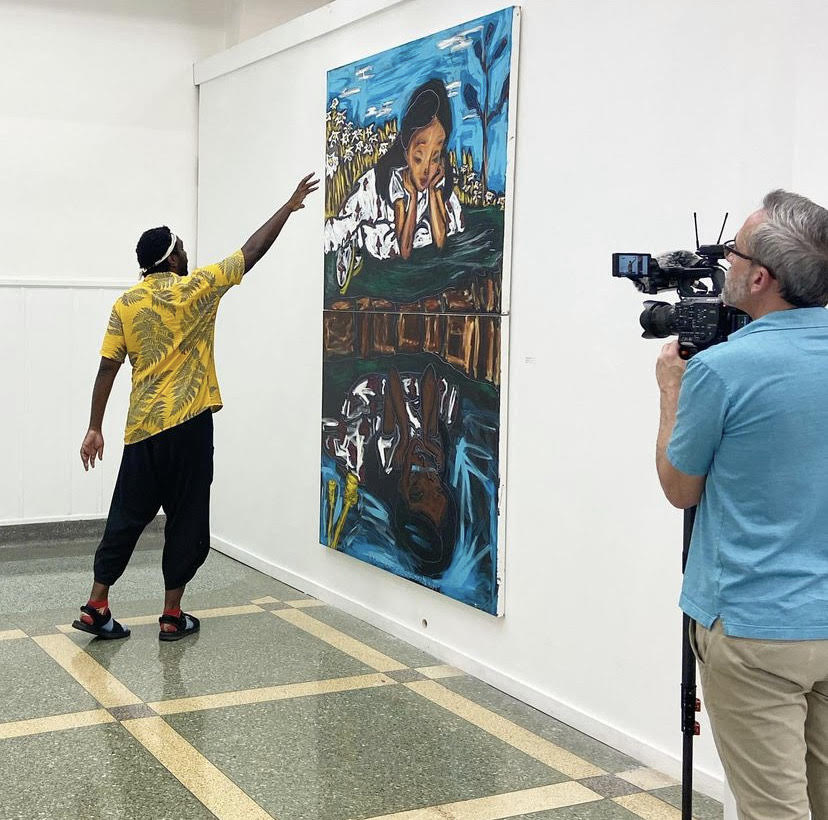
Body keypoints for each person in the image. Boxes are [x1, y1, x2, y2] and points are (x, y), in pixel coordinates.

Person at [75, 173, 318, 642]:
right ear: (172, 257)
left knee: (125, 515)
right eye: (182, 247)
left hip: (142, 431)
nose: (187, 253)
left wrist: (94, 427)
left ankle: (96, 604)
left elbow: (107, 367)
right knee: (186, 517)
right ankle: (171, 615)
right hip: (189, 427)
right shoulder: (197, 288)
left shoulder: (125, 304)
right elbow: (251, 252)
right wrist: (286, 209)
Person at [655, 190, 828, 818]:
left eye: (733, 251)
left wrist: (671, 389)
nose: (722, 262)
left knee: (772, 811)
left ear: (760, 277)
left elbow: (681, 488)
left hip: (755, 626)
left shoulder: (721, 371)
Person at [324, 79, 465, 291]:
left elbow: (440, 240)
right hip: (378, 212)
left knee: (440, 231)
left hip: (410, 235)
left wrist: (435, 193)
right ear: (406, 148)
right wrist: (413, 198)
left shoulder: (437, 179)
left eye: (435, 157)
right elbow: (404, 248)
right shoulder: (390, 181)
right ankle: (354, 244)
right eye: (419, 158)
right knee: (353, 229)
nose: (426, 170)